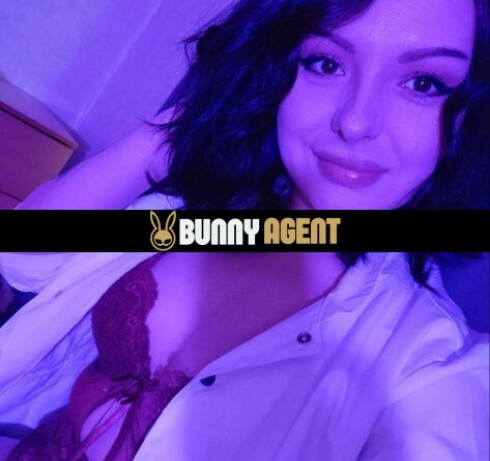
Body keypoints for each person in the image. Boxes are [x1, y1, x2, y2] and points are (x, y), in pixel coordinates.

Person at [0, 0, 489, 459]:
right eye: (325, 63)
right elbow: (22, 259)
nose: (355, 122)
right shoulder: (202, 221)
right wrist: (192, 124)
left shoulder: (428, 361)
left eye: (424, 83)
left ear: (470, 116)